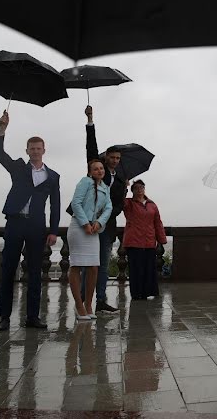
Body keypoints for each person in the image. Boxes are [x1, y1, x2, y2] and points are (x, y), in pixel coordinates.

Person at [0, 111, 61, 331]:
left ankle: (32, 316)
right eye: (31, 148)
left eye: (38, 148)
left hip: (36, 227)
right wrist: (2, 129)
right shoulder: (18, 168)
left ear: (44, 150)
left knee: (34, 272)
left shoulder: (53, 176)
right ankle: (4, 317)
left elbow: (56, 205)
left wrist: (53, 230)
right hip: (15, 223)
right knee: (8, 269)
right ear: (27, 151)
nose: (35, 151)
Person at [80, 105, 126, 314]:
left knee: (104, 266)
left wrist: (108, 216)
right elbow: (91, 147)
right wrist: (90, 120)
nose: (115, 161)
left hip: (107, 228)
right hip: (89, 224)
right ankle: (83, 300)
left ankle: (99, 301)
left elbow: (118, 206)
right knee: (87, 264)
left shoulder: (120, 181)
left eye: (118, 158)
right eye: (112, 157)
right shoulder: (98, 170)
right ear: (106, 157)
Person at [68, 159, 112, 320]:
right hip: (79, 227)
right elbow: (76, 203)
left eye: (101, 168)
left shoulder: (105, 188)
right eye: (96, 169)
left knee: (94, 267)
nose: (99, 171)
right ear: (90, 171)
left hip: (94, 229)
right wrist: (85, 223)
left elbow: (108, 208)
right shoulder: (85, 182)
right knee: (76, 266)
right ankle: (79, 306)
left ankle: (88, 304)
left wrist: (99, 222)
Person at [122, 180, 167, 300]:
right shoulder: (129, 203)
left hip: (149, 241)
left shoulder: (152, 204)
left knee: (149, 269)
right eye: (136, 188)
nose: (139, 189)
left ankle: (148, 292)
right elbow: (119, 201)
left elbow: (157, 222)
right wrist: (124, 187)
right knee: (136, 269)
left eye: (141, 187)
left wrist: (161, 239)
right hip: (134, 241)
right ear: (132, 191)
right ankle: (137, 294)